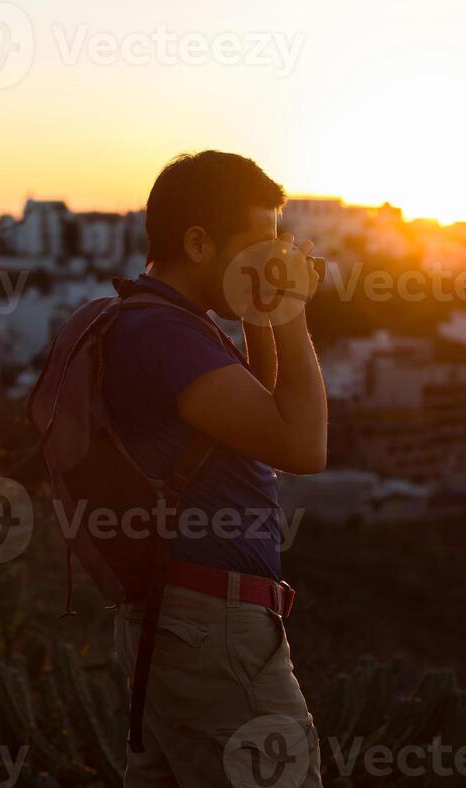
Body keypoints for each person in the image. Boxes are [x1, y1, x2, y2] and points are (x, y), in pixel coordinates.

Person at [103, 150, 327, 787]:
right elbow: (303, 446)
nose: (270, 259)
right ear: (198, 242)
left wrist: (259, 317)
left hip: (180, 629)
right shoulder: (166, 337)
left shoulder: (163, 323)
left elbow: (251, 419)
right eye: (257, 244)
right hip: (211, 636)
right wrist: (291, 310)